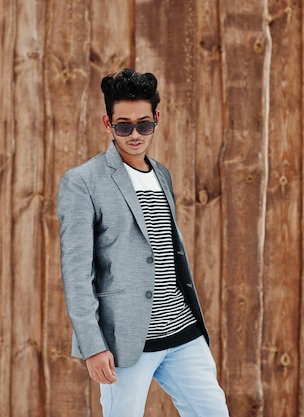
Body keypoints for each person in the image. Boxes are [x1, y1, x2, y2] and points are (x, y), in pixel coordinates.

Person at [57, 68, 229, 417]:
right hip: (126, 342)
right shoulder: (82, 182)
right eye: (123, 126)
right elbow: (76, 274)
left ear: (156, 119)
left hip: (183, 332)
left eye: (143, 124)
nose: (135, 134)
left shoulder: (161, 173)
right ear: (108, 123)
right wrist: (93, 346)